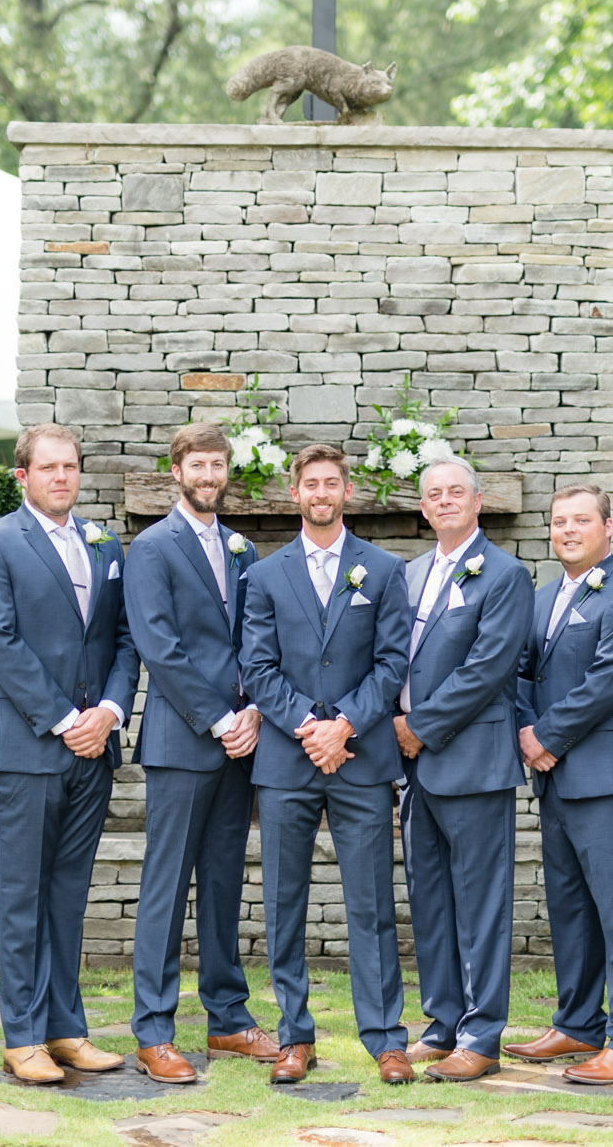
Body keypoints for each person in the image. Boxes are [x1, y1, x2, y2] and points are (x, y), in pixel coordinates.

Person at [0, 422, 139, 1084]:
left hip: (92, 750)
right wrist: (67, 718)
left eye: (69, 467)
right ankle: (22, 1036)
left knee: (69, 895)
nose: (61, 477)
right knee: (20, 895)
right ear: (23, 477)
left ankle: (66, 1030)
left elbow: (124, 637)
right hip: (26, 747)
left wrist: (109, 714)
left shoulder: (103, 542)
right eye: (48, 468)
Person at [240, 443, 414, 1086]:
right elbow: (256, 667)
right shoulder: (262, 575)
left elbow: (393, 664)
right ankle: (294, 1037)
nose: (321, 493)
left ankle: (387, 1038)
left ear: (347, 492)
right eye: (310, 483)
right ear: (296, 494)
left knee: (370, 903)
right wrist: (307, 728)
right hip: (287, 761)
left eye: (331, 483)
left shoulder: (384, 570)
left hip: (361, 757)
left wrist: (344, 725)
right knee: (284, 901)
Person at [122, 423, 280, 1083]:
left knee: (224, 882)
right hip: (182, 740)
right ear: (176, 471)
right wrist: (219, 718)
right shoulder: (152, 548)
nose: (209, 476)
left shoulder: (242, 548)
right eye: (199, 465)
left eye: (218, 465)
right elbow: (159, 646)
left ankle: (226, 1019)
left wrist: (252, 711)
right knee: (165, 885)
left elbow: (254, 635)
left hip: (241, 740)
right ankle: (154, 1029)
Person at [505, 484, 613, 1085]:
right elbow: (520, 672)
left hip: (607, 776)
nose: (567, 530)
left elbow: (609, 682)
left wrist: (545, 737)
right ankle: (576, 1022)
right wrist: (525, 730)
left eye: (580, 520)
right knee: (571, 909)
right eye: (558, 521)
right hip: (555, 778)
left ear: (607, 527)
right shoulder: (544, 598)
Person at [395, 457, 533, 1082]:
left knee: (480, 904)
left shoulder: (505, 574)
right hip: (413, 770)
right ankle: (442, 1021)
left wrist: (418, 727)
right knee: (429, 901)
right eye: (434, 494)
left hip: (472, 761)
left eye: (456, 492)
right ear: (423, 509)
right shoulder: (410, 572)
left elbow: (489, 667)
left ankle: (481, 1035)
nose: (445, 501)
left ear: (478, 502)